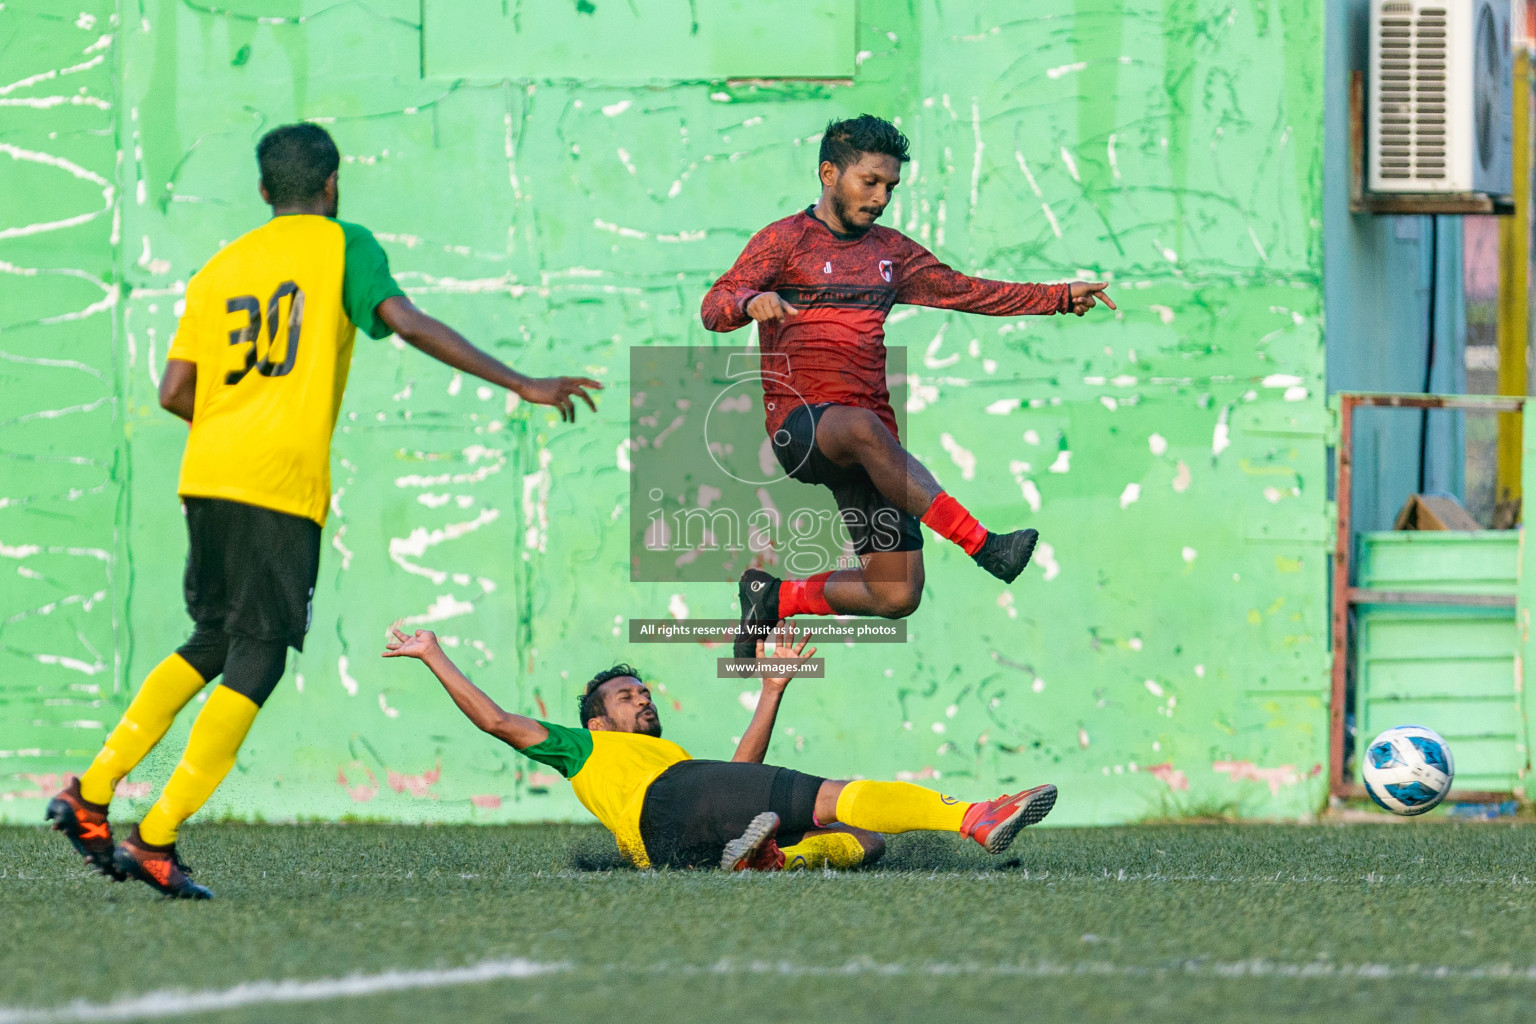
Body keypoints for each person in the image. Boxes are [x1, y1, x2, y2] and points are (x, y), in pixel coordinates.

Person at [46, 123, 603, 899]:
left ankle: (91, 794)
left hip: (208, 474)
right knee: (258, 654)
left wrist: (233, 429)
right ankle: (157, 835)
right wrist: (524, 383)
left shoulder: (220, 268)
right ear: (333, 185)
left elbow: (176, 391)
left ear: (264, 192)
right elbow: (405, 322)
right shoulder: (344, 244)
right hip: (278, 485)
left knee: (212, 637)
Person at [699, 114, 1115, 655]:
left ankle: (774, 598)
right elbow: (714, 306)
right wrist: (746, 302)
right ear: (829, 173)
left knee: (895, 593)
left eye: (890, 186)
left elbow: (969, 291)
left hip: (871, 444)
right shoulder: (784, 241)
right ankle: (984, 545)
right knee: (860, 425)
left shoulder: (892, 253)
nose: (880, 197)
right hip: (802, 430)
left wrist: (1059, 296)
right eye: (868, 181)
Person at [383, 622, 1057, 871]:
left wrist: (770, 692)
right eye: (625, 697)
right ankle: (973, 816)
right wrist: (433, 653)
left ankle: (768, 863)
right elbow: (499, 721)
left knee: (866, 840)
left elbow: (739, 781)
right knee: (827, 795)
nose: (641, 699)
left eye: (643, 692)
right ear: (596, 722)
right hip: (665, 811)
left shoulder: (671, 759)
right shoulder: (582, 749)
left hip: (673, 849)